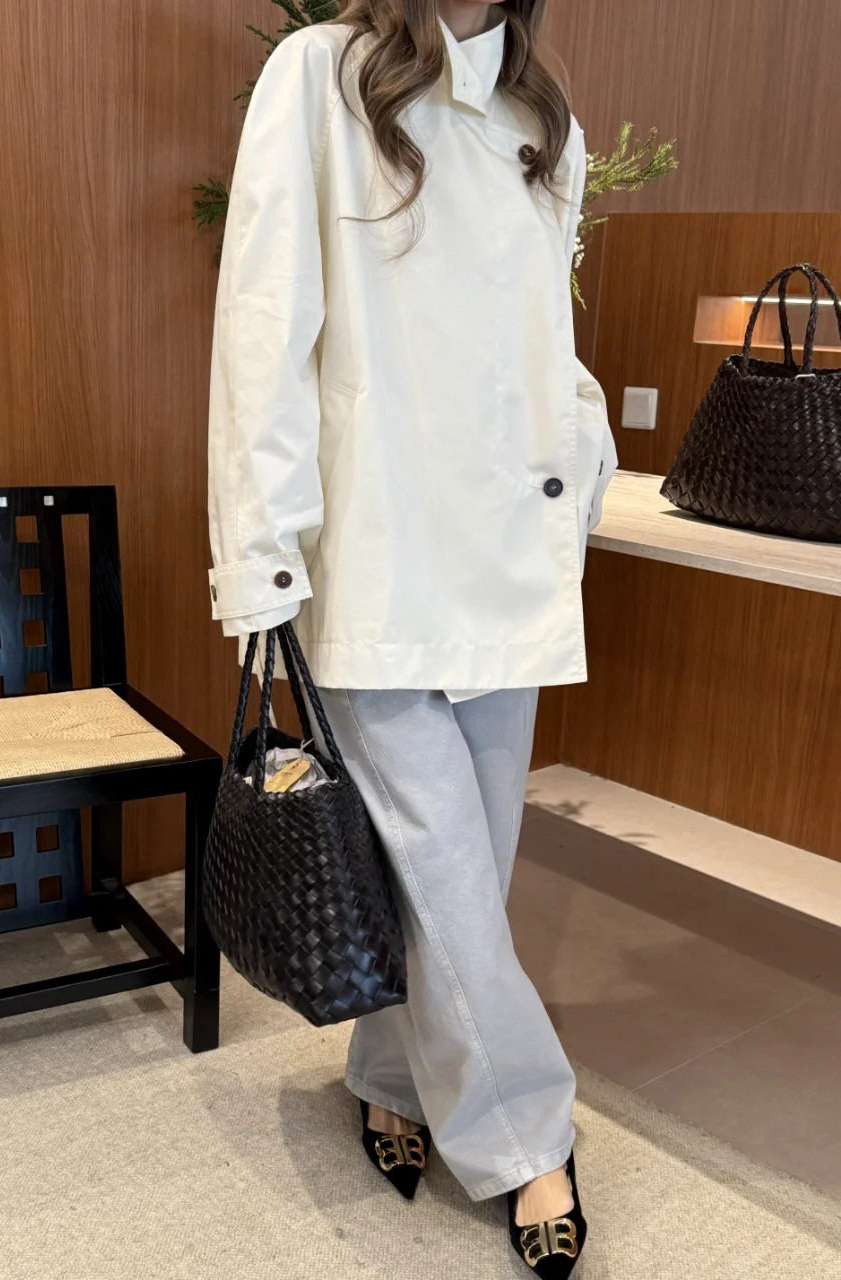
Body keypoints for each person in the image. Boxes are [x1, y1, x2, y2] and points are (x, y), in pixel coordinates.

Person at [206, 1, 618, 1274]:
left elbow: (544, 341)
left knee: (461, 876)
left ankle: (388, 1074)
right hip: (378, 557)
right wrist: (261, 558)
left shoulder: (545, 120)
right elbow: (266, 327)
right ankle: (529, 1136)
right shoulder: (320, 75)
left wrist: (585, 451)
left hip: (508, 553)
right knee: (447, 874)